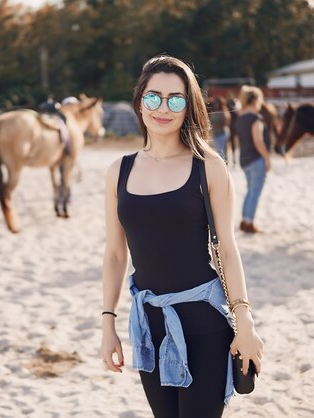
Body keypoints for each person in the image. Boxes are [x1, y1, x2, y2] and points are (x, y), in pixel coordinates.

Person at [100, 55, 264, 418]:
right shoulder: (119, 171)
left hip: (204, 325)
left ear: (188, 106)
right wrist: (107, 322)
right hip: (148, 326)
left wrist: (246, 321)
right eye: (153, 97)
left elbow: (227, 248)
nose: (163, 108)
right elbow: (114, 255)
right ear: (139, 99)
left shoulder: (209, 167)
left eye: (176, 99)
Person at [235, 86, 271, 234]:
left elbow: (239, 141)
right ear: (255, 100)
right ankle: (249, 222)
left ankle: (245, 220)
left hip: (244, 159)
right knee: (254, 192)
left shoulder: (240, 119)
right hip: (256, 160)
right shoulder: (256, 119)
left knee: (250, 191)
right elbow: (258, 141)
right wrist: (267, 159)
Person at [209, 97, 231, 163]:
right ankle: (224, 163)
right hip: (215, 134)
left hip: (222, 133)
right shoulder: (213, 112)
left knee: (220, 151)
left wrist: (217, 125)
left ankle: (223, 165)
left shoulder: (223, 112)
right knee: (220, 150)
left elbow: (227, 122)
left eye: (217, 103)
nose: (216, 104)